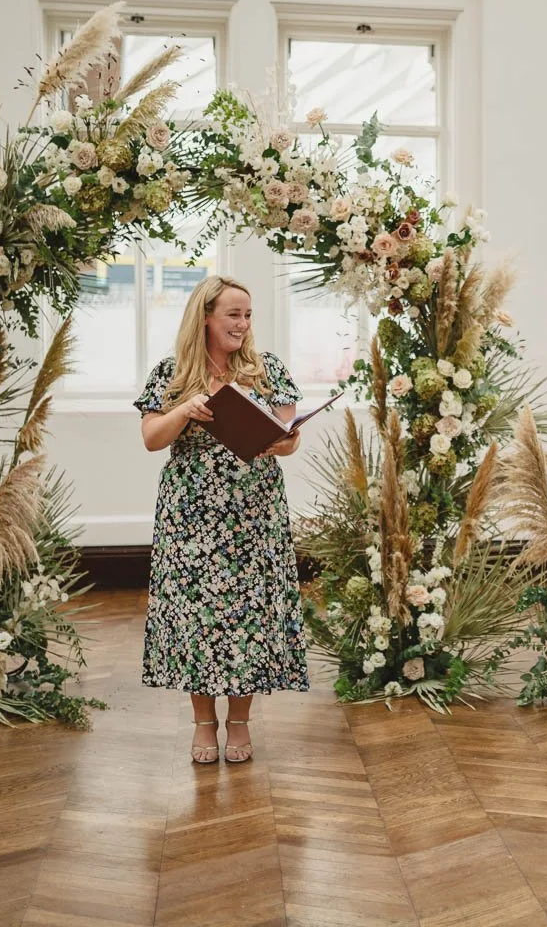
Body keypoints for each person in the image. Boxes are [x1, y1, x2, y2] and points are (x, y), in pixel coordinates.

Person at [135, 275, 309, 764]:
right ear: (206, 316)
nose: (243, 324)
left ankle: (239, 722)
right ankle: (203, 723)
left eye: (248, 315)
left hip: (254, 514)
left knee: (246, 619)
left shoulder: (265, 369)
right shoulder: (173, 373)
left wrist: (282, 441)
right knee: (196, 618)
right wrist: (186, 411)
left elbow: (290, 436)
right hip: (191, 515)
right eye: (234, 314)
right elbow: (151, 438)